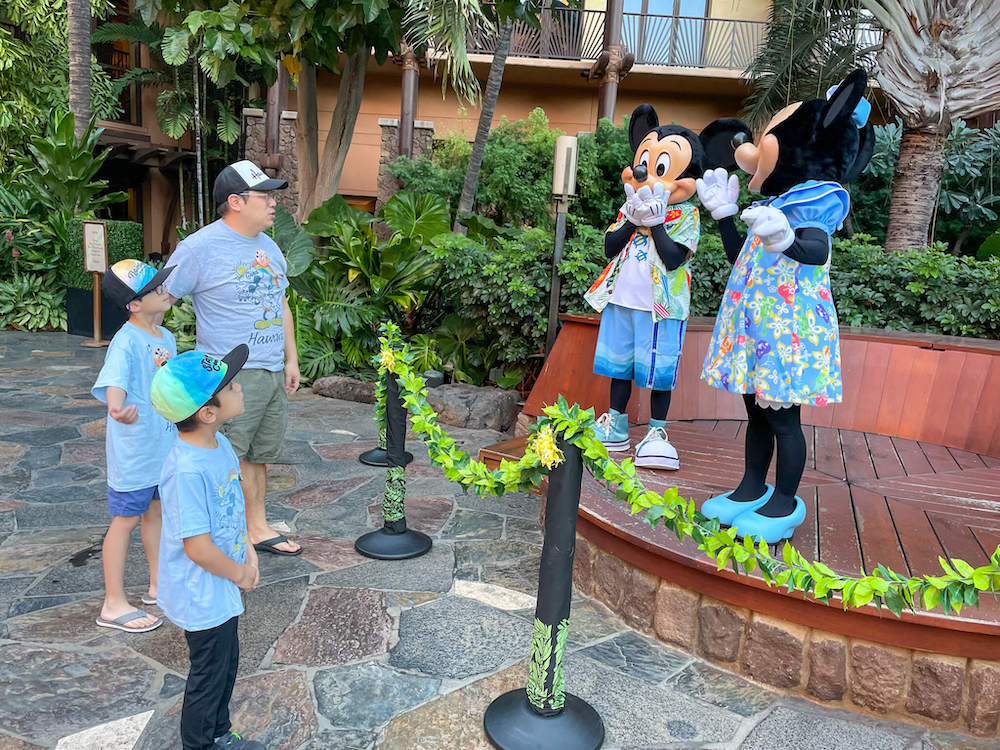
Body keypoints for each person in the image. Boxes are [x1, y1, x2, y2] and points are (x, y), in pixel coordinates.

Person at [166, 160, 302, 556]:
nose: (273, 203)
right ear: (235, 202)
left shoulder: (269, 246)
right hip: (230, 376)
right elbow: (160, 300)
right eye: (265, 196)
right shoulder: (199, 248)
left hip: (272, 370)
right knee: (228, 455)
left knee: (258, 456)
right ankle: (223, 536)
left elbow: (281, 304)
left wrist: (290, 359)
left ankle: (256, 527)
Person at [151, 344, 265, 750]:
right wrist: (240, 573)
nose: (239, 387)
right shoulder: (186, 469)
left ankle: (220, 732)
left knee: (225, 664)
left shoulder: (221, 447)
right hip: (201, 588)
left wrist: (248, 550)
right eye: (231, 385)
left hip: (223, 581)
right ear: (207, 412)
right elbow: (197, 547)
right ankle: (200, 743)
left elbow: (232, 508)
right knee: (209, 673)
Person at [92, 260, 177, 633]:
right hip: (135, 451)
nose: (165, 290)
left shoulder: (167, 337)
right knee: (125, 520)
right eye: (156, 288)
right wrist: (116, 407)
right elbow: (115, 381)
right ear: (134, 305)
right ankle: (113, 603)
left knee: (156, 513)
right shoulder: (126, 340)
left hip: (163, 446)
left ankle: (158, 584)